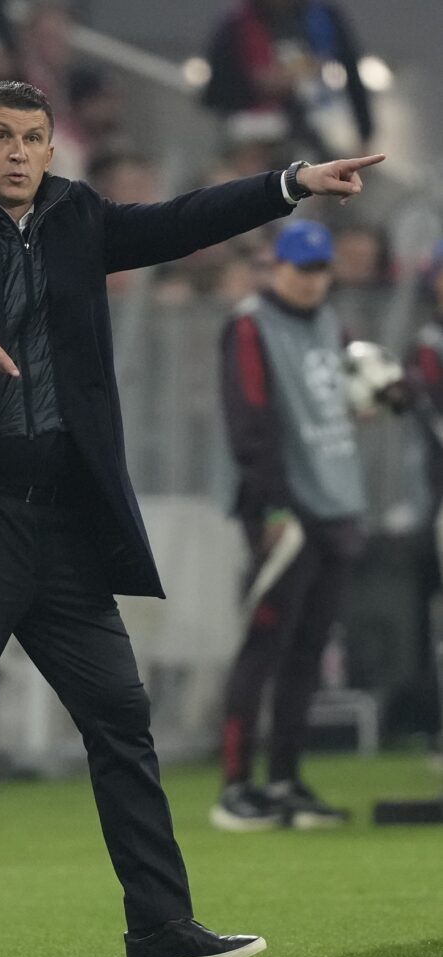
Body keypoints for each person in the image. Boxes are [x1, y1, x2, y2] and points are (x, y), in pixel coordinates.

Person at [0, 79, 384, 957]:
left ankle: (161, 927)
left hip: (63, 528)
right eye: (1, 137)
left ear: (54, 150)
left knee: (121, 716)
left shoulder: (77, 217)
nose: (18, 152)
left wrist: (289, 181)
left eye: (35, 137)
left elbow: (178, 222)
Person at [211, 219, 391, 831]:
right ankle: (237, 788)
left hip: (336, 504)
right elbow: (250, 424)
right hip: (286, 510)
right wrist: (275, 508)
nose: (311, 281)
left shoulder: (329, 323)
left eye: (320, 270)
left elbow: (346, 400)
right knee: (265, 645)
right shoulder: (249, 325)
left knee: (308, 650)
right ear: (276, 266)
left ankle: (285, 779)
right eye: (301, 268)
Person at [201, 0, 373, 159]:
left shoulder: (324, 18)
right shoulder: (237, 24)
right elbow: (215, 95)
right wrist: (257, 86)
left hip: (319, 130)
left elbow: (353, 78)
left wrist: (365, 136)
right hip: (255, 139)